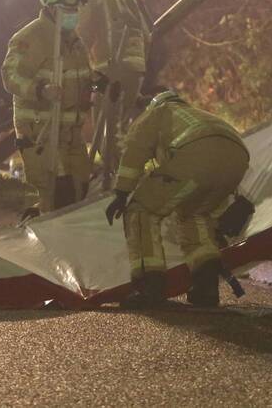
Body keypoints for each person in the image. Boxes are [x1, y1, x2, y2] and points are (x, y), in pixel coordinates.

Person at [105, 89, 250, 308]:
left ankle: (149, 286)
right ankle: (206, 287)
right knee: (194, 216)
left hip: (196, 159)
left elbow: (135, 150)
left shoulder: (157, 112)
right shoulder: (196, 115)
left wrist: (121, 193)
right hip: (237, 159)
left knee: (140, 211)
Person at [1, 0, 94, 216]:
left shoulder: (74, 41)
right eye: (67, 9)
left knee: (81, 190)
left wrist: (94, 84)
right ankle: (39, 243)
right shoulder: (30, 38)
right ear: (51, 9)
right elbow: (10, 76)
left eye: (75, 9)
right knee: (56, 195)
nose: (73, 14)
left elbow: (80, 76)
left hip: (71, 134)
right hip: (42, 133)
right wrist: (41, 90)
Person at [66, 0, 151, 174]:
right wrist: (138, 66)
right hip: (135, 68)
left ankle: (119, 180)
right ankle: (124, 176)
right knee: (120, 127)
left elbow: (81, 38)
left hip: (107, 70)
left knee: (107, 131)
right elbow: (147, 36)